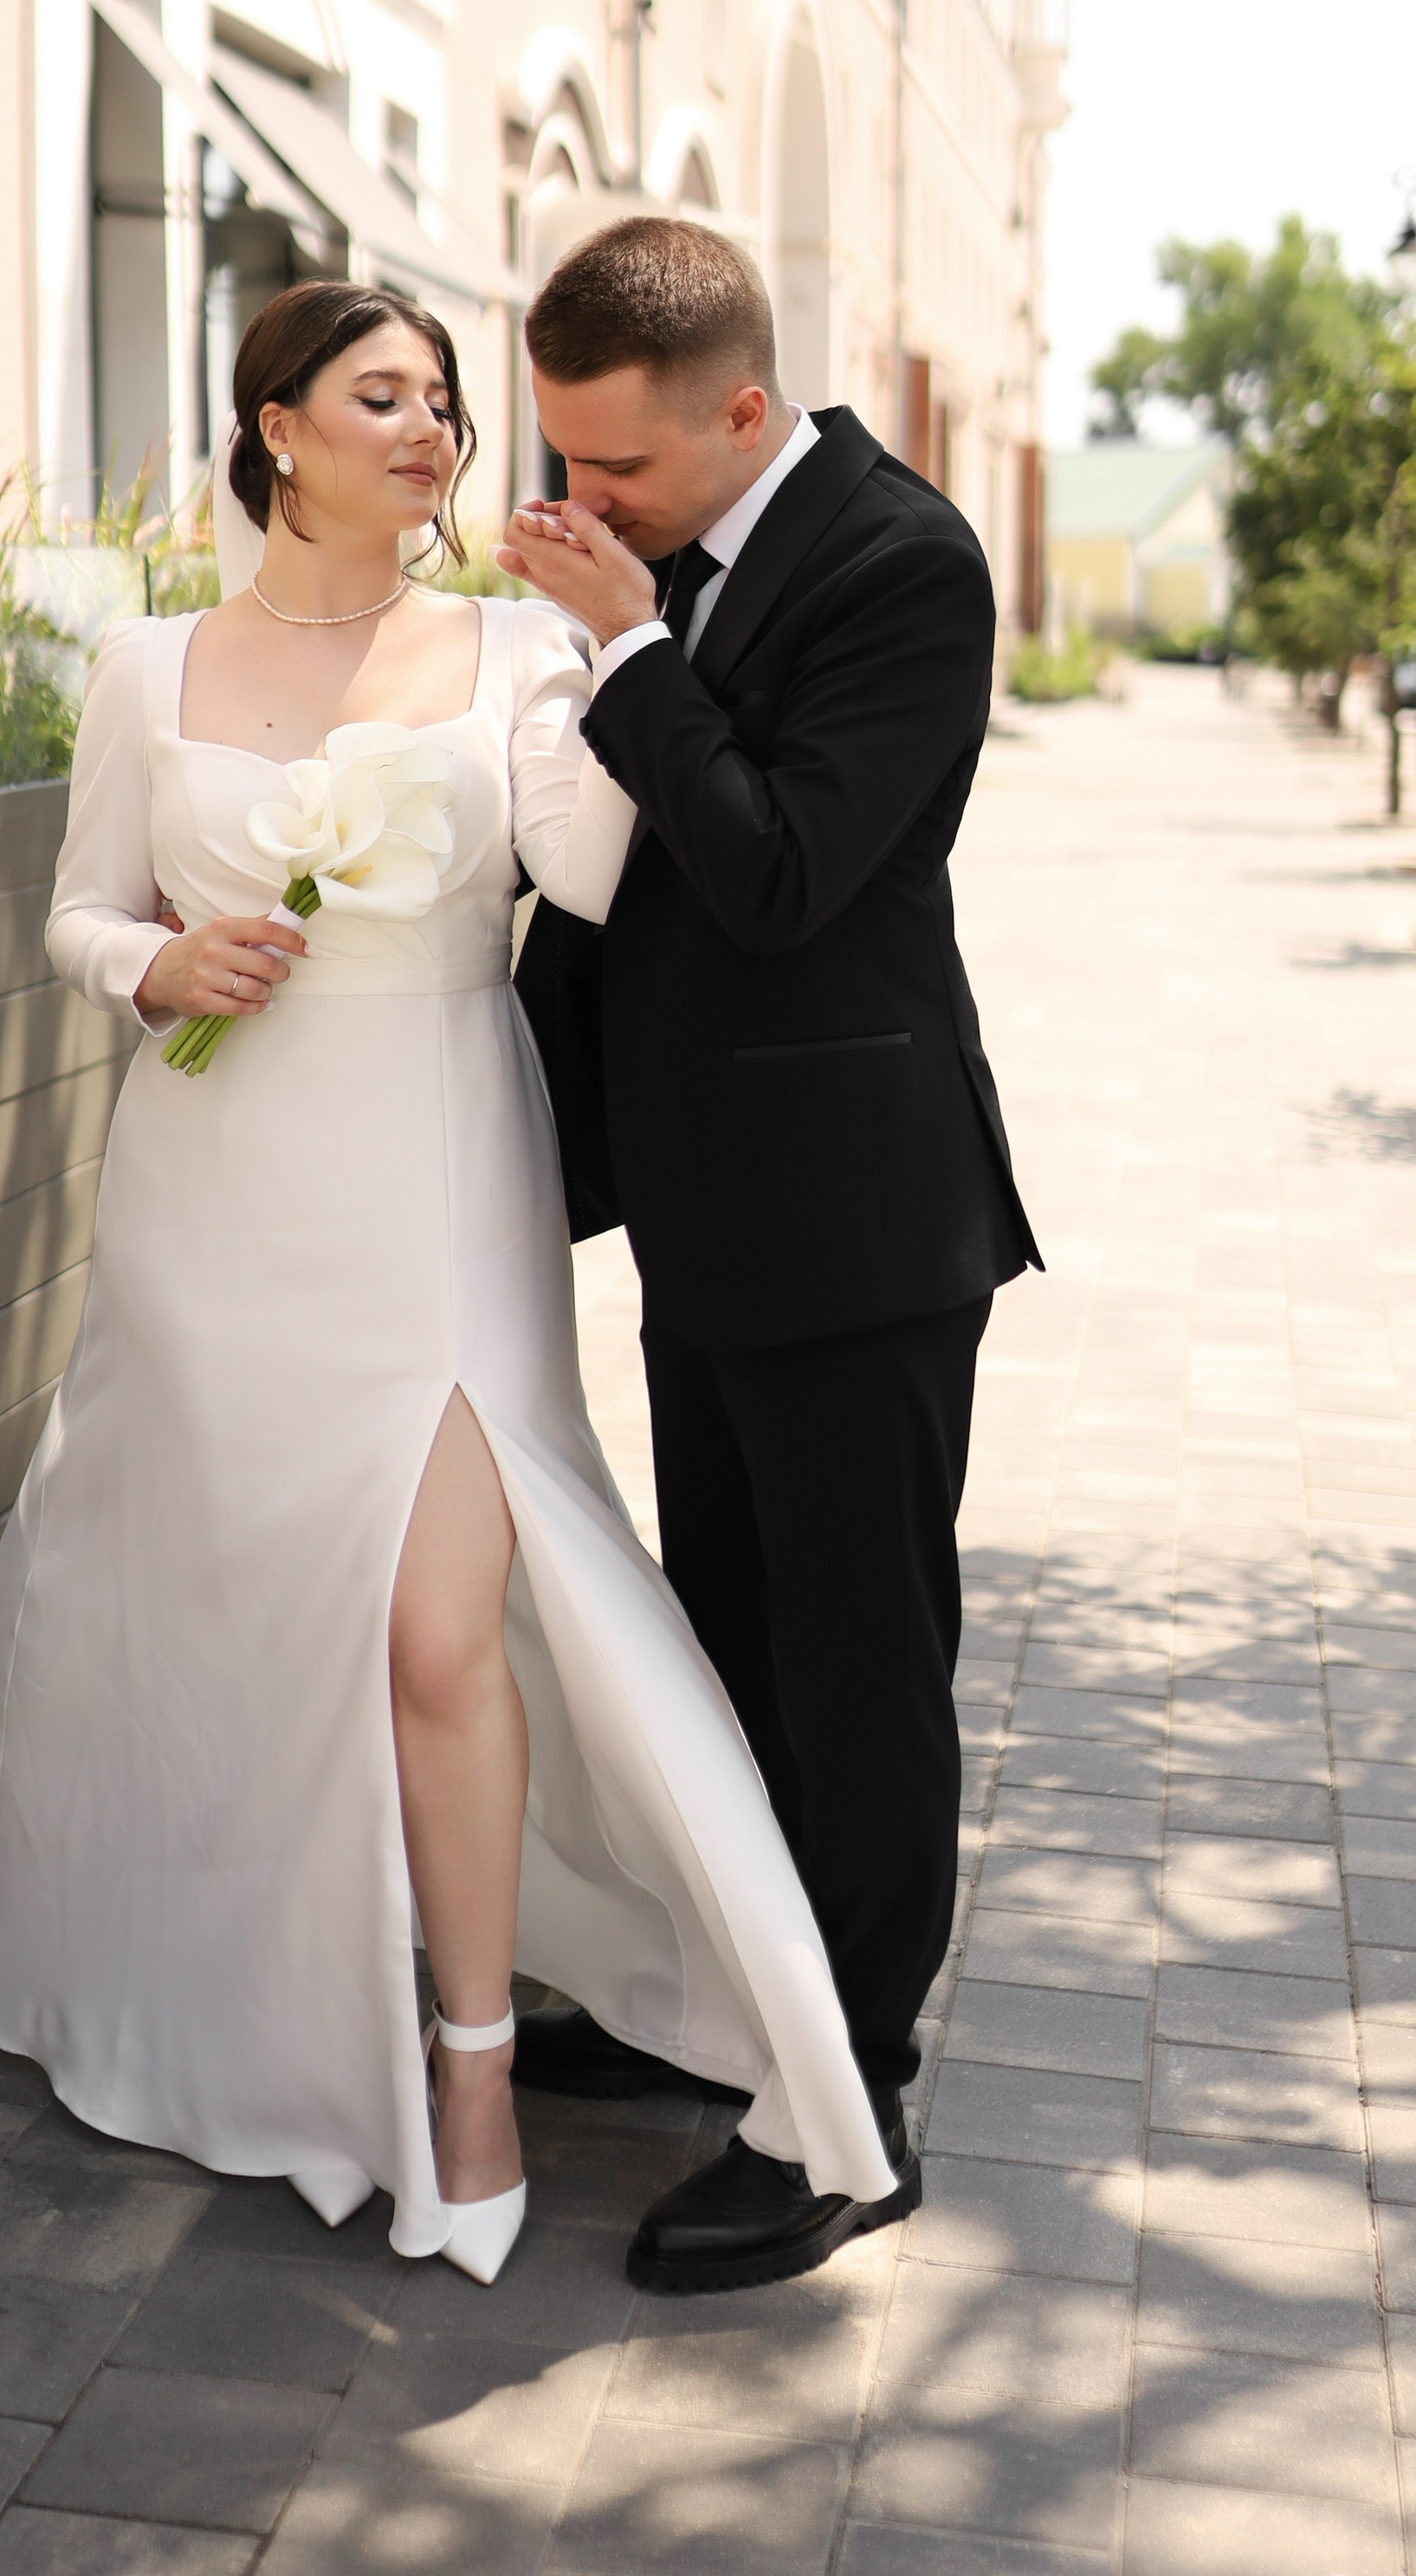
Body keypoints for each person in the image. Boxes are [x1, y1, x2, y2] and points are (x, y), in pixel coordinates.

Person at [0, 279, 903, 2293]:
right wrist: (154, 966)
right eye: (384, 396)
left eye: (444, 402)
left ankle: (468, 2067)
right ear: (275, 427)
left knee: (445, 1631)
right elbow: (79, 909)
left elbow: (606, 882)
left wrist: (618, 656)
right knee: (261, 1609)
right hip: (216, 1184)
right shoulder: (143, 661)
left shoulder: (516, 647)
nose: (431, 429)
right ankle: (264, 1997)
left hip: (440, 1159)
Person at [501, 215, 1040, 2292]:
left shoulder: (904, 565)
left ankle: (849, 2111)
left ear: (743, 410)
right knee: (719, 1652)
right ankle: (726, 2014)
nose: (575, 508)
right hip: (707, 1221)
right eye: (556, 462)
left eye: (612, 469)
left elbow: (781, 871)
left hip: (859, 1230)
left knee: (856, 1680)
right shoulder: (669, 546)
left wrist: (628, 659)